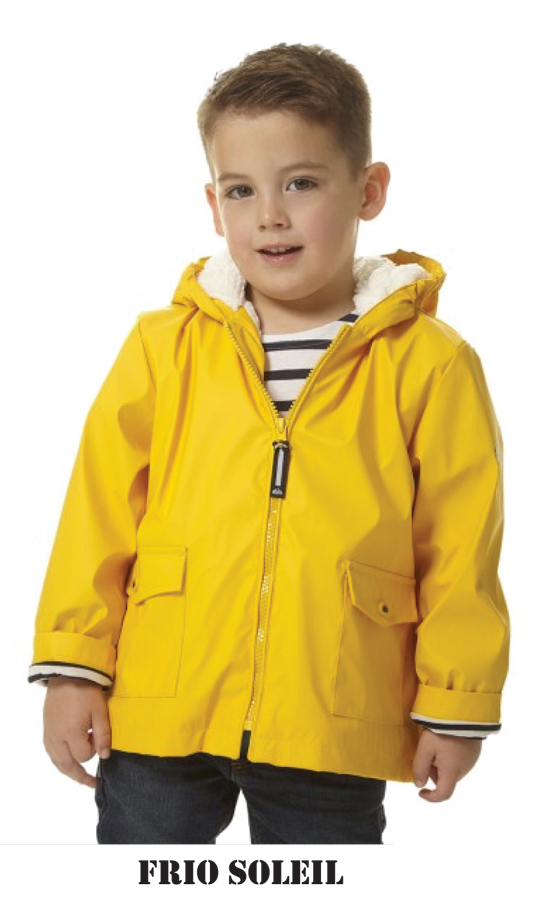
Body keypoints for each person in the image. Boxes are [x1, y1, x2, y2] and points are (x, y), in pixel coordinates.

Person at [28, 42, 510, 845]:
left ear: (369, 190)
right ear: (214, 205)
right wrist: (73, 668)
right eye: (241, 190)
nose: (270, 216)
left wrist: (454, 702)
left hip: (333, 712)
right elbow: (98, 513)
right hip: (160, 706)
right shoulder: (163, 347)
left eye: (301, 183)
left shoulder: (429, 363)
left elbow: (462, 546)